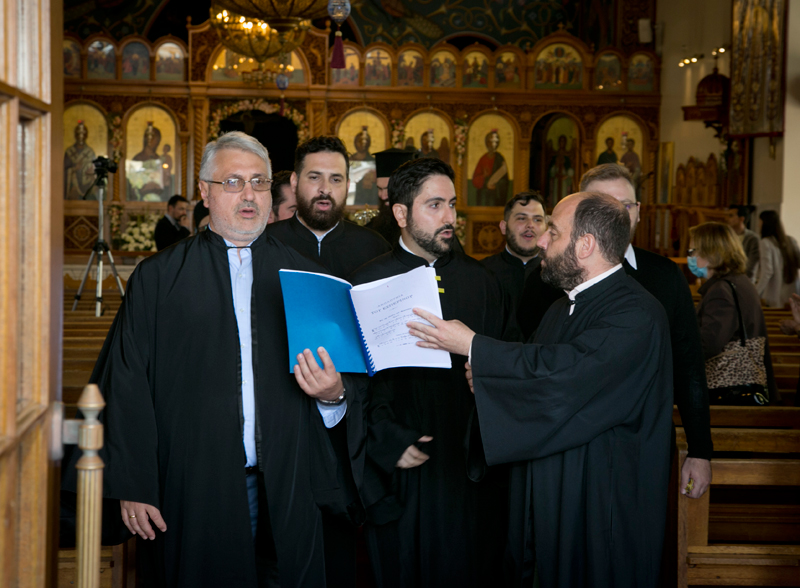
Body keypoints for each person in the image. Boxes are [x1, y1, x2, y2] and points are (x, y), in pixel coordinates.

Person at [62, 131, 368, 587]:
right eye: (233, 182)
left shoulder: (310, 278)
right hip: (194, 484)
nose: (249, 195)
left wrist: (335, 394)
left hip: (290, 483)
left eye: (259, 182)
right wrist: (135, 486)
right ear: (204, 191)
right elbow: (126, 386)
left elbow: (347, 383)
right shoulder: (158, 279)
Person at [408, 191, 674, 588]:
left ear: (585, 245)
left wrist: (474, 347)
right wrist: (489, 380)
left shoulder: (635, 313)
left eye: (554, 230)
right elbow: (536, 373)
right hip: (552, 491)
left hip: (601, 501)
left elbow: (564, 376)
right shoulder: (562, 305)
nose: (543, 240)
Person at [351, 157, 507, 588]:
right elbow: (355, 385)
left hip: (467, 471)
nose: (450, 218)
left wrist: (489, 375)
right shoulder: (367, 282)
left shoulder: (482, 282)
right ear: (401, 213)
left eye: (453, 205)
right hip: (399, 470)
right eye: (435, 205)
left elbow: (511, 365)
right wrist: (385, 441)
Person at [265, 135, 390, 279]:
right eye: (314, 177)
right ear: (295, 182)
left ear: (347, 186)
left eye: (336, 179)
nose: (325, 189)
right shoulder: (266, 242)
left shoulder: (374, 247)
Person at [689, 222, 778, 401]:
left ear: (711, 253)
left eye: (693, 251)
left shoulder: (721, 290)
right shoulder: (740, 281)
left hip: (729, 388)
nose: (690, 257)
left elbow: (709, 344)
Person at [481, 191, 548, 341]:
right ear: (503, 227)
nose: (530, 225)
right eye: (521, 218)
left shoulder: (560, 274)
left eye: (538, 220)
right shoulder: (481, 272)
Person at [366, 148, 417, 245]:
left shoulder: (425, 229)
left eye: (388, 189)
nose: (382, 195)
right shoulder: (370, 231)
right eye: (379, 189)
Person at [755, 210, 800, 308]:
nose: (758, 225)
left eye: (759, 222)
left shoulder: (766, 243)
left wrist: (755, 292)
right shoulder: (790, 240)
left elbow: (767, 271)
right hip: (792, 291)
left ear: (765, 223)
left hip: (775, 294)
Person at [472, 129, 509, 206]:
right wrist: (484, 178)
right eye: (489, 142)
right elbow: (475, 180)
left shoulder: (499, 158)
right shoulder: (483, 159)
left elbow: (505, 181)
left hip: (496, 198)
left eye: (494, 142)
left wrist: (496, 185)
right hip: (484, 198)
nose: (491, 145)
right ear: (486, 143)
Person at [64, 120, 97, 200]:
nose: (81, 137)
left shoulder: (90, 152)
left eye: (83, 134)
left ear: (86, 135)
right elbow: (63, 171)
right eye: (79, 134)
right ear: (75, 135)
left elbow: (95, 171)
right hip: (73, 188)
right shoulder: (69, 152)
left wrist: (92, 173)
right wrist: (75, 168)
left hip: (87, 188)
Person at [726, 204, 760, 279]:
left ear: (741, 219)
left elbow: (751, 266)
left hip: (744, 280)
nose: (727, 219)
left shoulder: (752, 238)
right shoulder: (726, 237)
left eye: (731, 216)